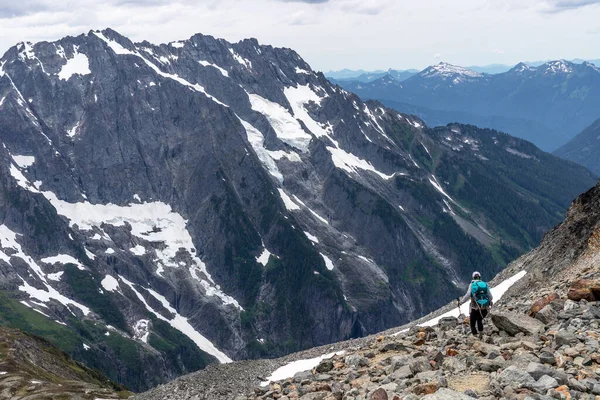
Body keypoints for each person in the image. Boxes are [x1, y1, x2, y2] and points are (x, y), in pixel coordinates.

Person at [459, 271, 493, 336]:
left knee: (472, 323)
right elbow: (491, 297)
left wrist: (461, 302)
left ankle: (475, 337)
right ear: (479, 277)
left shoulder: (472, 284)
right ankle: (481, 335)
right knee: (479, 320)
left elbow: (468, 295)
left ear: (473, 277)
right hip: (484, 307)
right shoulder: (485, 284)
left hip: (474, 307)